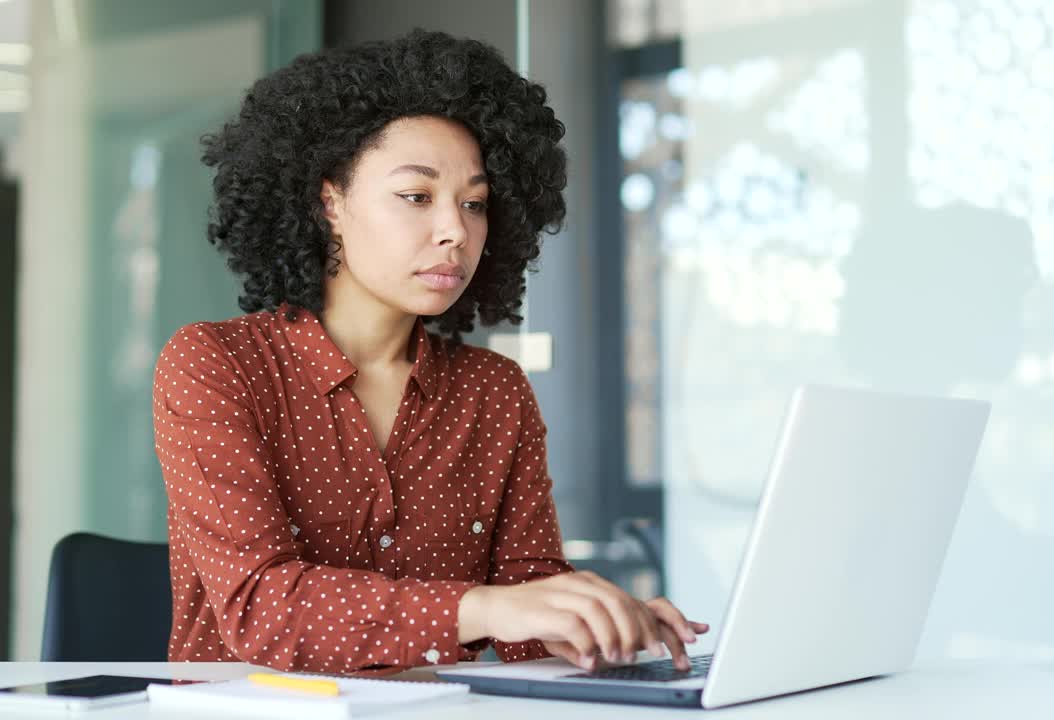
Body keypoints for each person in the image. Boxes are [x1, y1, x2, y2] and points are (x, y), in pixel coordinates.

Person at [152, 28, 707, 675]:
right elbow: (261, 607)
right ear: (329, 200)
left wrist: (598, 624)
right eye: (417, 197)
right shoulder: (215, 365)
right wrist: (488, 609)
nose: (455, 231)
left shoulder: (494, 392)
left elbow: (528, 613)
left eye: (474, 203)